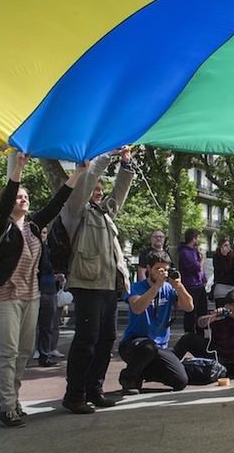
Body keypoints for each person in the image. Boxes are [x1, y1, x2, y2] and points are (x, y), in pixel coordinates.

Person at [0, 153, 86, 427]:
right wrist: (19, 166)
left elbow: (57, 204)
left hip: (30, 297)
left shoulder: (33, 227)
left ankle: (10, 397)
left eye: (26, 196)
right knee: (8, 351)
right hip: (4, 296)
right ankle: (7, 406)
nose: (23, 199)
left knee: (23, 351)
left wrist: (78, 173)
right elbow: (7, 197)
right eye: (19, 197)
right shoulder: (0, 225)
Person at [61, 148, 135, 415]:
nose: (99, 192)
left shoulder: (104, 215)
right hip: (87, 284)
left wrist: (126, 165)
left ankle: (95, 389)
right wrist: (106, 156)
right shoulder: (75, 211)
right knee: (87, 340)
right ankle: (74, 395)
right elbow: (87, 181)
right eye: (96, 189)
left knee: (106, 340)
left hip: (108, 285)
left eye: (101, 189)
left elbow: (119, 194)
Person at [118, 250, 194, 395]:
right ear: (148, 268)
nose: (162, 273)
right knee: (148, 347)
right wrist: (156, 287)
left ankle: (141, 372)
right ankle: (128, 378)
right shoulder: (136, 287)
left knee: (180, 381)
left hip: (160, 347)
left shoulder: (169, 289)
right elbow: (137, 308)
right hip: (134, 344)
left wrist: (179, 286)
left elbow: (189, 307)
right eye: (158, 269)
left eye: (165, 270)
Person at [173, 288, 234, 371]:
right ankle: (171, 361)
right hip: (211, 350)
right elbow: (200, 323)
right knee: (188, 337)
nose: (230, 308)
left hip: (226, 357)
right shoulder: (220, 315)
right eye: (228, 305)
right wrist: (212, 318)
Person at [35, 226, 62, 367]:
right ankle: (37, 353)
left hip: (49, 289)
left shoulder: (50, 249)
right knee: (35, 325)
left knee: (47, 325)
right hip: (35, 290)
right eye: (40, 233)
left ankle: (44, 354)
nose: (42, 235)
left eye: (44, 233)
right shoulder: (33, 247)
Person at [178, 228, 207, 335]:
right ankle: (189, 334)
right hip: (191, 286)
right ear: (194, 239)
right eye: (198, 237)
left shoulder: (194, 251)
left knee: (202, 311)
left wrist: (203, 277)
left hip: (199, 284)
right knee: (191, 311)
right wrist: (203, 257)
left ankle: (200, 334)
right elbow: (196, 267)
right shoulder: (185, 252)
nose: (199, 239)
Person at [211, 238, 234, 307]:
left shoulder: (232, 257)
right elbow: (218, 270)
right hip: (221, 286)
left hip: (231, 286)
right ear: (220, 247)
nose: (228, 247)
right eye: (225, 245)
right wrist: (223, 256)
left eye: (229, 245)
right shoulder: (217, 257)